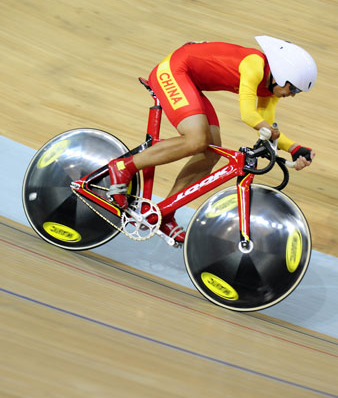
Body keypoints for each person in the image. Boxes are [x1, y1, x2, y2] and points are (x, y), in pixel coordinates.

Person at [107, 35, 317, 243]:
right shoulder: (254, 65)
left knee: (211, 152)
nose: (293, 95)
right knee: (196, 139)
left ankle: (165, 212)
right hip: (174, 70)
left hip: (191, 82)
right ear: (282, 75)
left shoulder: (270, 90)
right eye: (294, 89)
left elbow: (265, 124)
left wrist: (295, 148)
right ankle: (123, 168)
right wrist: (267, 129)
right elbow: (248, 115)